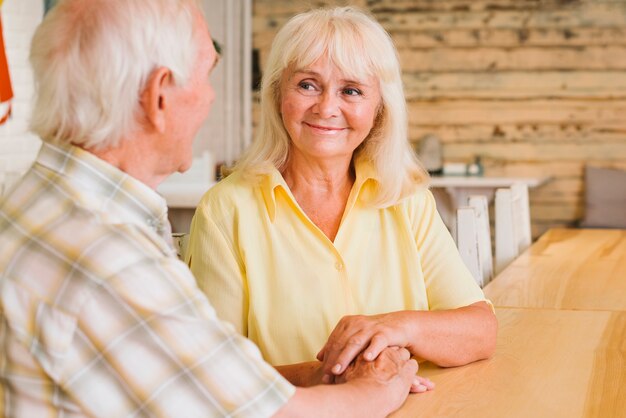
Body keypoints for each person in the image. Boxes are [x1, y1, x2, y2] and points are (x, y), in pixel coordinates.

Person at [0, 1, 424, 416]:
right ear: (158, 96)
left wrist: (330, 371)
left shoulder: (34, 203)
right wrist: (381, 385)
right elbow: (267, 413)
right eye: (207, 74)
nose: (209, 97)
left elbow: (211, 384)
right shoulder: (111, 255)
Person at [187, 6, 498, 382]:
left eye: (351, 90)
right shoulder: (226, 209)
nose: (326, 107)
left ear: (379, 108)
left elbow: (481, 330)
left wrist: (394, 328)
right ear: (276, 94)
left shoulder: (405, 198)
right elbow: (213, 373)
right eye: (307, 85)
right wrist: (332, 375)